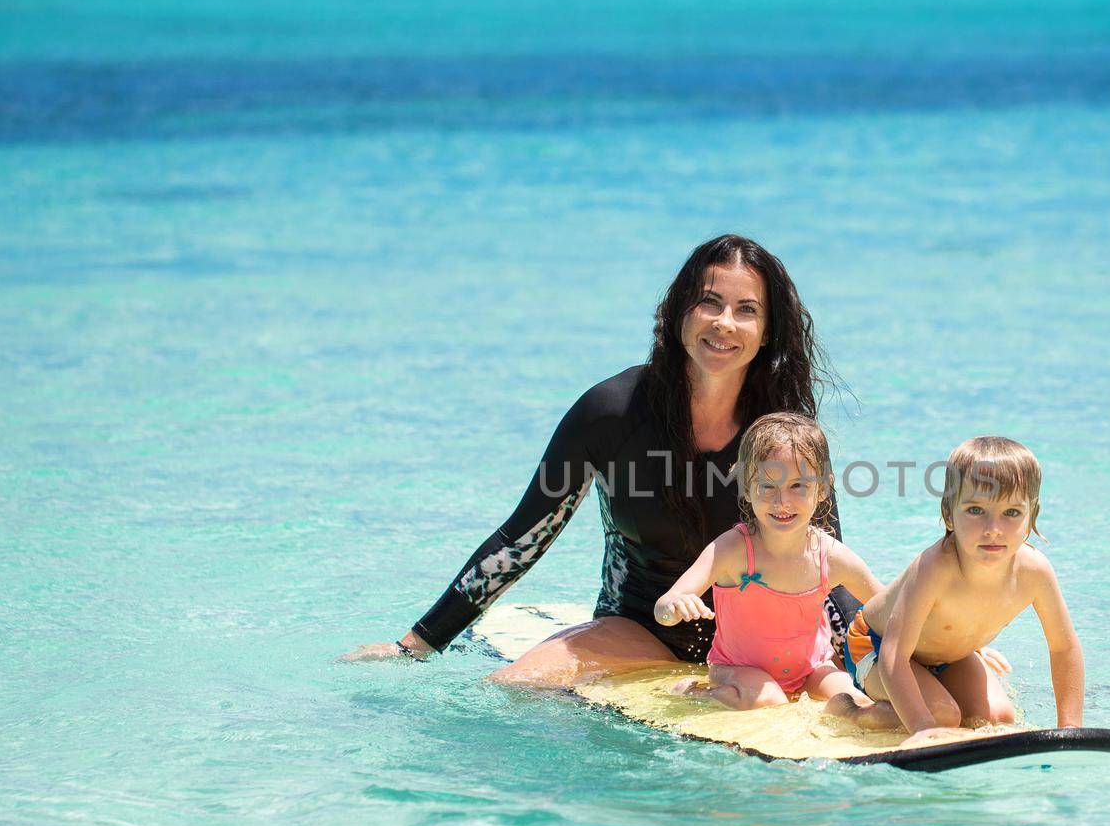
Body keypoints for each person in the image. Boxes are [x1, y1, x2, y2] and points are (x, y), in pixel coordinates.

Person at [345, 235, 855, 685]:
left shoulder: (780, 431)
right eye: (709, 303)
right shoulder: (612, 413)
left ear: (766, 331)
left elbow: (826, 560)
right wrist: (417, 646)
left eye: (746, 309)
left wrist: (865, 660)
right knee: (513, 686)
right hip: (641, 631)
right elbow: (522, 538)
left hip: (766, 647)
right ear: (679, 311)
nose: (724, 323)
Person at [827, 436, 1085, 740]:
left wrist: (1070, 727)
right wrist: (922, 727)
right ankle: (849, 711)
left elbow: (1063, 647)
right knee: (941, 716)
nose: (993, 528)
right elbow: (894, 655)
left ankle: (930, 695)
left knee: (998, 718)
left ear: (1032, 516)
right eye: (976, 510)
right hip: (875, 645)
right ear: (949, 513)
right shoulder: (936, 568)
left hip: (947, 656)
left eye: (1012, 513)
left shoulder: (1035, 573)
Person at [655, 413, 894, 725]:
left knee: (851, 697)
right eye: (768, 486)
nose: (782, 501)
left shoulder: (830, 556)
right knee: (769, 700)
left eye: (798, 486)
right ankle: (693, 694)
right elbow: (665, 604)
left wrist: (953, 645)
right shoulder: (733, 549)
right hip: (737, 669)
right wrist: (675, 607)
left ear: (822, 490)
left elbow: (889, 608)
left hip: (812, 668)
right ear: (746, 487)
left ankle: (856, 721)